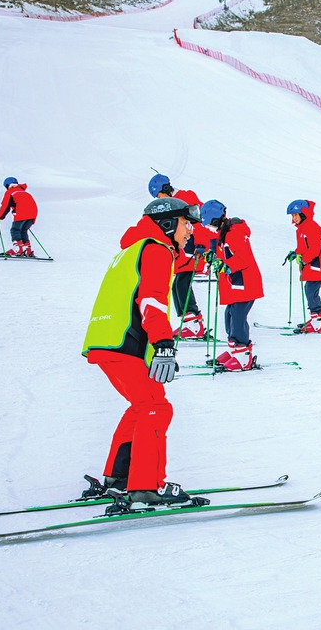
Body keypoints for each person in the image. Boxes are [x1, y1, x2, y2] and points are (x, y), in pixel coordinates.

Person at [81, 197, 202, 509]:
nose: (189, 231)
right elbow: (151, 302)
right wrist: (164, 344)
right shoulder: (156, 250)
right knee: (156, 408)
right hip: (126, 344)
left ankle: (118, 477)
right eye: (186, 224)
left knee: (141, 406)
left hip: (105, 342)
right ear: (167, 223)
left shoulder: (130, 250)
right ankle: (147, 486)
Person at [200, 199, 264, 371]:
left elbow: (242, 258)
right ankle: (234, 349)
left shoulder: (233, 233)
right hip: (236, 284)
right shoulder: (224, 234)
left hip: (245, 284)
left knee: (237, 317)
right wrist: (214, 258)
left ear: (214, 219)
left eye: (208, 224)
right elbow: (225, 255)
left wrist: (226, 266)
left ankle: (243, 356)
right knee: (229, 315)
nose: (208, 228)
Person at [148, 174, 207, 340]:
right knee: (176, 285)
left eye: (161, 196)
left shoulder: (186, 198)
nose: (161, 201)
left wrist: (201, 245)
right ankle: (189, 322)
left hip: (195, 249)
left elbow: (199, 222)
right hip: (184, 250)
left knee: (182, 283)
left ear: (166, 189)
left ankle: (195, 324)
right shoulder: (172, 204)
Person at [284, 199, 321, 334]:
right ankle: (317, 319)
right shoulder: (302, 228)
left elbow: (315, 249)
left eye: (296, 215)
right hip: (313, 265)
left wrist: (304, 260)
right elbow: (304, 247)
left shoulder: (311, 227)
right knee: (309, 289)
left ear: (303, 214)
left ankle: (318, 323)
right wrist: (296, 253)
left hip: (318, 265)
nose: (294, 218)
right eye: (292, 216)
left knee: (311, 290)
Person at [0, 177, 39, 257]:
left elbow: (5, 206)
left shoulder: (10, 192)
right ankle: (27, 250)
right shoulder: (24, 192)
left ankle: (18, 249)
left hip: (22, 212)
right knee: (23, 230)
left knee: (15, 229)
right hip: (33, 213)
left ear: (7, 185)